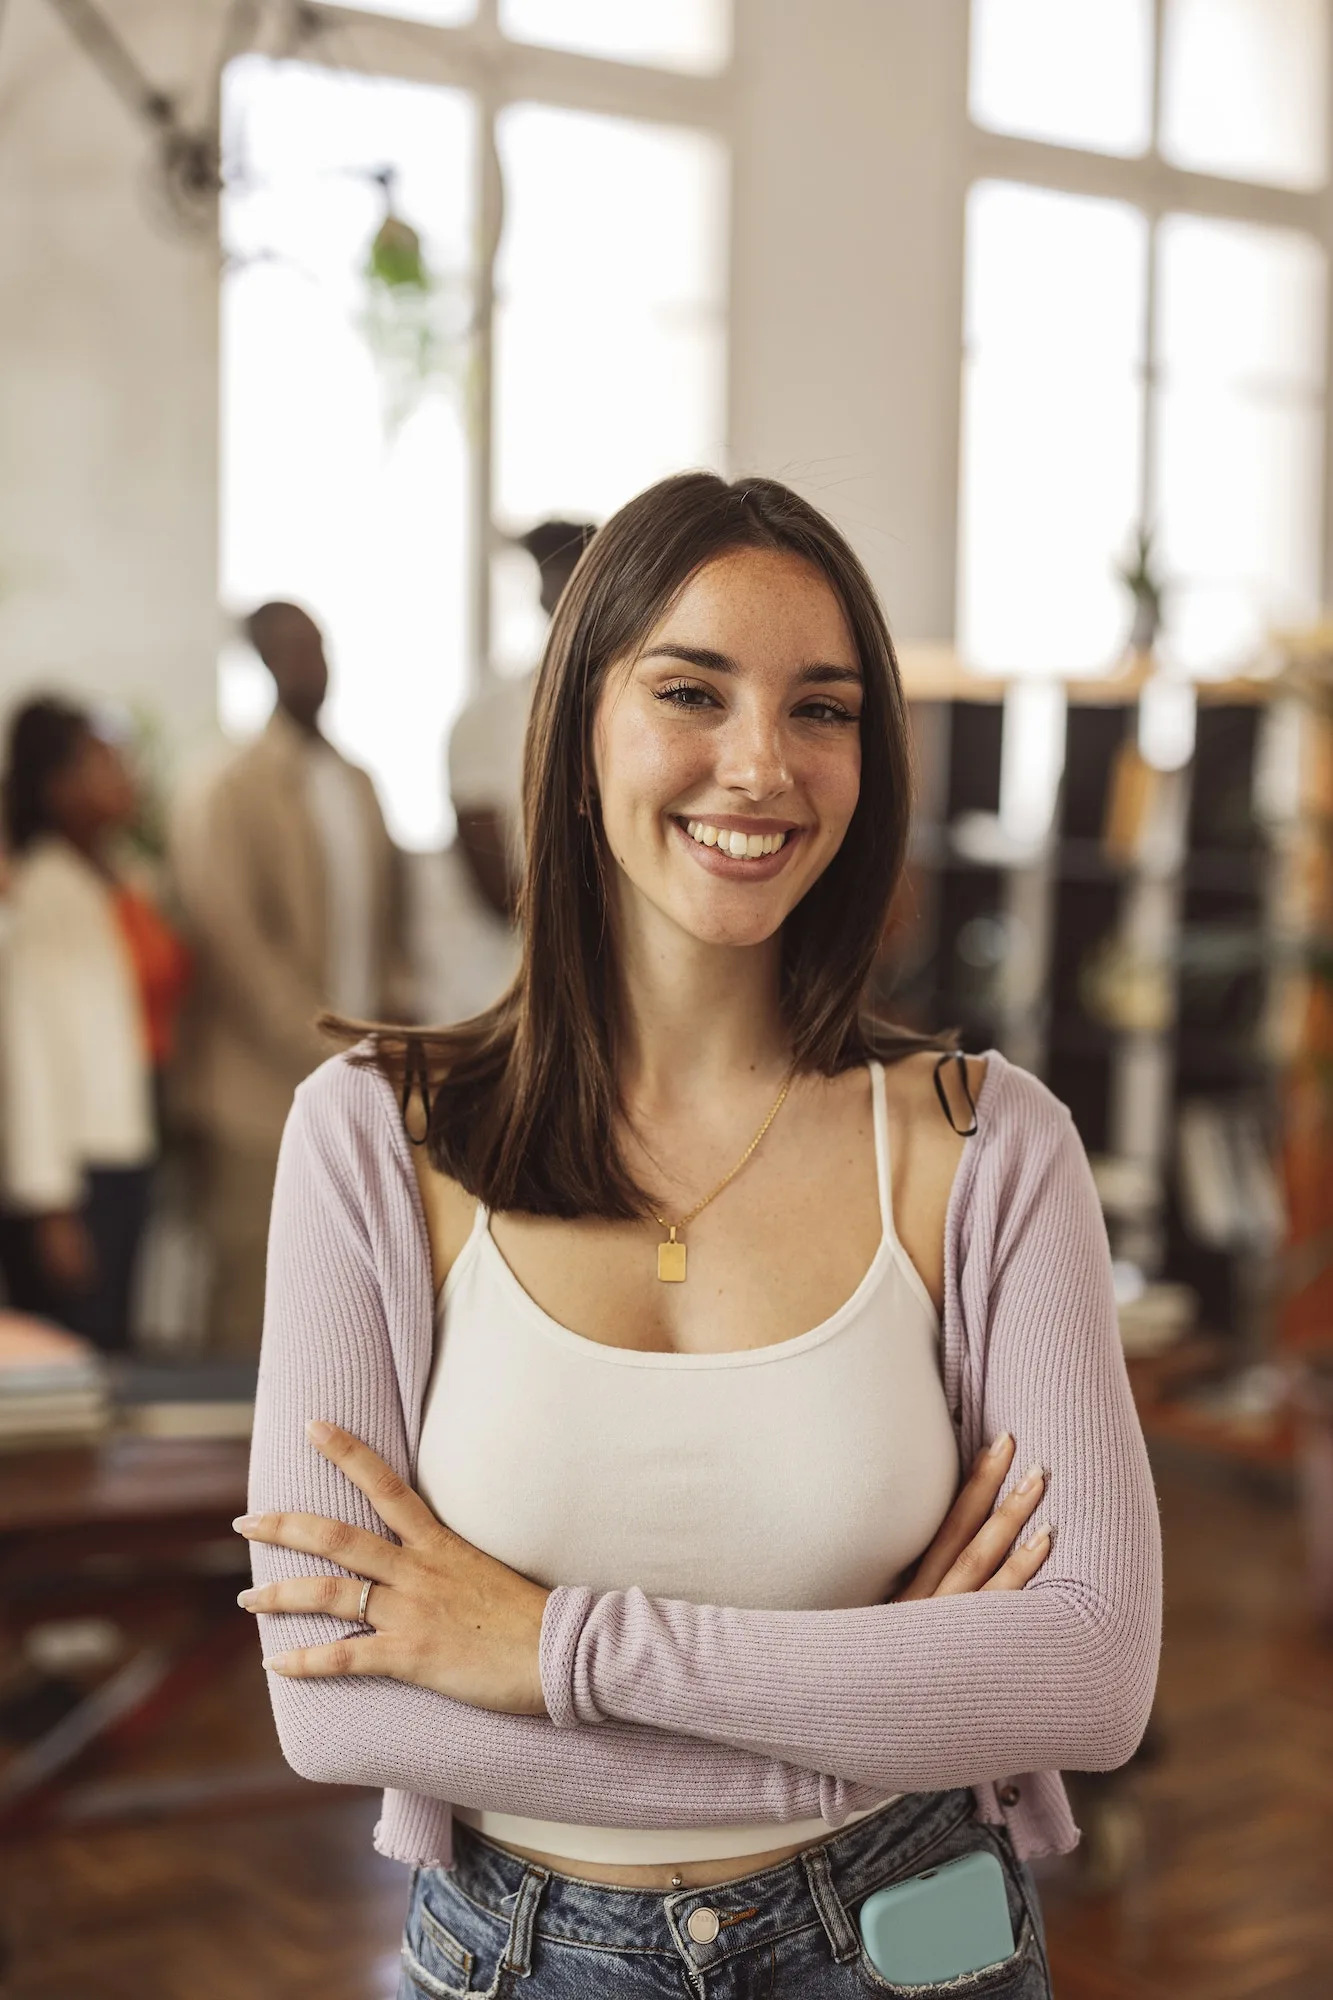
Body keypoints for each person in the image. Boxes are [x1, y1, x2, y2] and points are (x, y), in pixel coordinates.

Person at [235, 476, 1161, 1999]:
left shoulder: (988, 1143)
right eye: (689, 690)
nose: (760, 766)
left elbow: (1089, 1675)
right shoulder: (374, 1138)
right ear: (578, 725)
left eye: (823, 709)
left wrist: (542, 1648)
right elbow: (334, 1702)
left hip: (911, 1944)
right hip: (519, 1959)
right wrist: (852, 1734)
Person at [170, 602, 412, 1355]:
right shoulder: (227, 786)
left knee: (343, 1292)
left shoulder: (357, 782)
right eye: (294, 652)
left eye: (320, 648)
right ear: (264, 665)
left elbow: (388, 929)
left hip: (352, 1073)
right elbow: (236, 951)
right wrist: (332, 1047)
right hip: (254, 1094)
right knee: (251, 1294)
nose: (314, 666)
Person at [0, 698, 189, 1351]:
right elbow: (30, 1059)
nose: (123, 772)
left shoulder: (116, 879)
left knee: (118, 1349)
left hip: (123, 1151)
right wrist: (50, 1206)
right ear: (55, 786)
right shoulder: (42, 894)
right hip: (74, 1175)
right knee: (78, 1355)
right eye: (101, 760)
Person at [429, 523, 595, 1024]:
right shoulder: (488, 719)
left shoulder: (641, 709)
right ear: (542, 589)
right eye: (565, 573)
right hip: (509, 999)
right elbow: (497, 888)